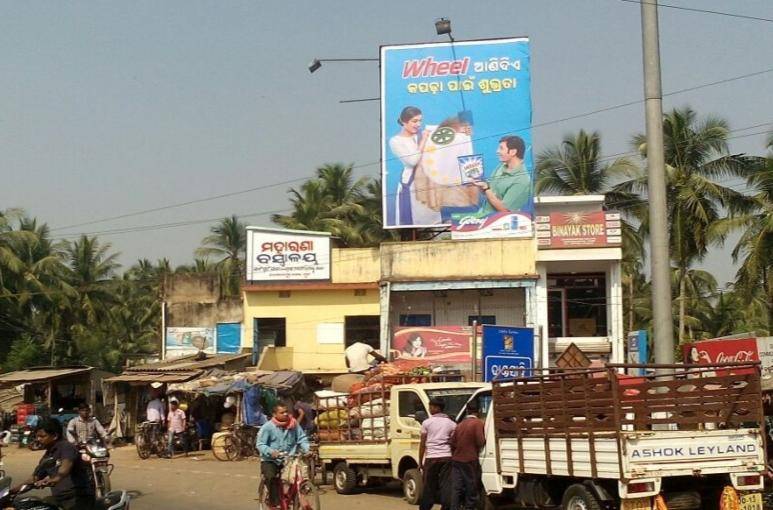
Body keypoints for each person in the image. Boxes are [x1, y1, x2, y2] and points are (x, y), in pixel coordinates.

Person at [12, 418, 95, 509]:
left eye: (42, 436)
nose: (38, 439)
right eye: (37, 436)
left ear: (55, 436)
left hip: (78, 498)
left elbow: (64, 469)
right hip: (60, 499)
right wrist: (10, 492)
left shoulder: (66, 447)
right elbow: (33, 479)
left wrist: (54, 479)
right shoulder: (48, 455)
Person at [455, 135, 531, 222]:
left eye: (501, 148)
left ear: (513, 152)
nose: (497, 151)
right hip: (482, 219)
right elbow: (488, 192)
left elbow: (505, 210)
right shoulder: (501, 167)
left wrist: (486, 188)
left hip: (499, 226)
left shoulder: (522, 180)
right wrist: (479, 184)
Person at [389, 106, 439, 226]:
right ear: (404, 121)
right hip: (411, 186)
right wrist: (424, 139)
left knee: (434, 220)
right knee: (413, 221)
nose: (418, 124)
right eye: (414, 121)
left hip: (428, 185)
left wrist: (464, 131)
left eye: (420, 121)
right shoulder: (396, 141)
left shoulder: (420, 135)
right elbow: (413, 160)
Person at [256, 403, 311, 509]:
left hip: (289, 458)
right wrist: (271, 452)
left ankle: (296, 499)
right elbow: (260, 444)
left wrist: (307, 449)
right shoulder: (267, 427)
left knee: (298, 477)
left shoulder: (294, 424)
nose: (285, 414)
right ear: (274, 414)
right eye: (282, 412)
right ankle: (274, 503)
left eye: (287, 411)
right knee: (271, 477)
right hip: (271, 460)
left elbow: (302, 438)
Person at [419, 398, 456, 510]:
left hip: (431, 457)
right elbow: (453, 442)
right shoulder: (452, 424)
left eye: (431, 407)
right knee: (446, 485)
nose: (430, 409)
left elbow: (422, 443)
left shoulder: (427, 423)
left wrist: (420, 461)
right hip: (447, 457)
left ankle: (425, 507)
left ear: (437, 408)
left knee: (429, 486)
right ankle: (446, 507)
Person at [450, 401, 486, 510]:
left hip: (457, 459)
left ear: (467, 411)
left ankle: (454, 507)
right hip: (469, 459)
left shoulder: (460, 424)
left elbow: (453, 442)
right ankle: (469, 507)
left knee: (457, 487)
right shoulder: (478, 423)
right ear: (478, 411)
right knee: (471, 485)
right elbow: (481, 441)